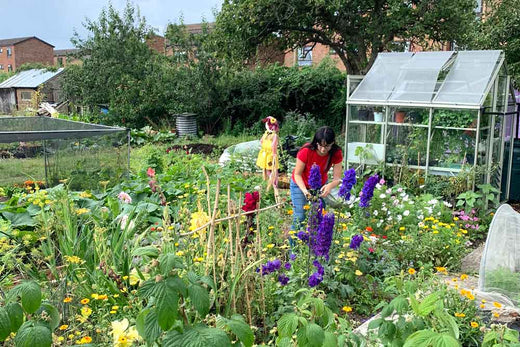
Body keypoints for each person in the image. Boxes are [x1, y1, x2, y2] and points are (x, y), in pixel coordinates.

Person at [290, 126, 343, 231]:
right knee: (300, 217)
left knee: (319, 216)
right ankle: (293, 246)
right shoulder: (306, 151)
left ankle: (314, 245)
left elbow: (337, 178)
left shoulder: (336, 153)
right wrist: (305, 192)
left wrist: (329, 186)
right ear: (316, 142)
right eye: (320, 145)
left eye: (327, 146)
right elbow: (297, 174)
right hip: (300, 184)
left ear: (333, 143)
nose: (323, 149)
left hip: (320, 185)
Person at [256, 116, 279, 190]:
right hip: (267, 154)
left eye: (266, 123)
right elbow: (271, 145)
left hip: (268, 155)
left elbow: (272, 145)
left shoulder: (271, 135)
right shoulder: (269, 134)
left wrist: (273, 154)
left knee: (270, 169)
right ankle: (271, 183)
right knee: (269, 169)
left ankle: (272, 184)